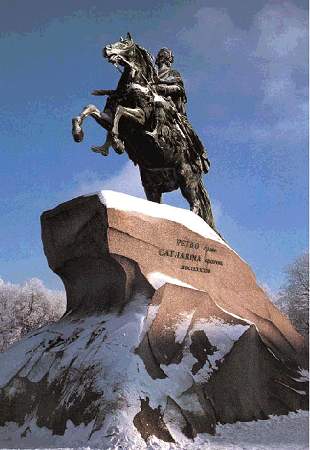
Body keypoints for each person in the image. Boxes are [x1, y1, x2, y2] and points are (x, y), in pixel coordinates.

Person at [152, 47, 210, 174]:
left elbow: (179, 89)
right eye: (160, 56)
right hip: (152, 102)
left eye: (164, 56)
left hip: (171, 106)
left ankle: (200, 154)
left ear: (169, 59)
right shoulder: (152, 74)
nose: (162, 58)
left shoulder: (173, 73)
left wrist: (163, 88)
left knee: (188, 130)